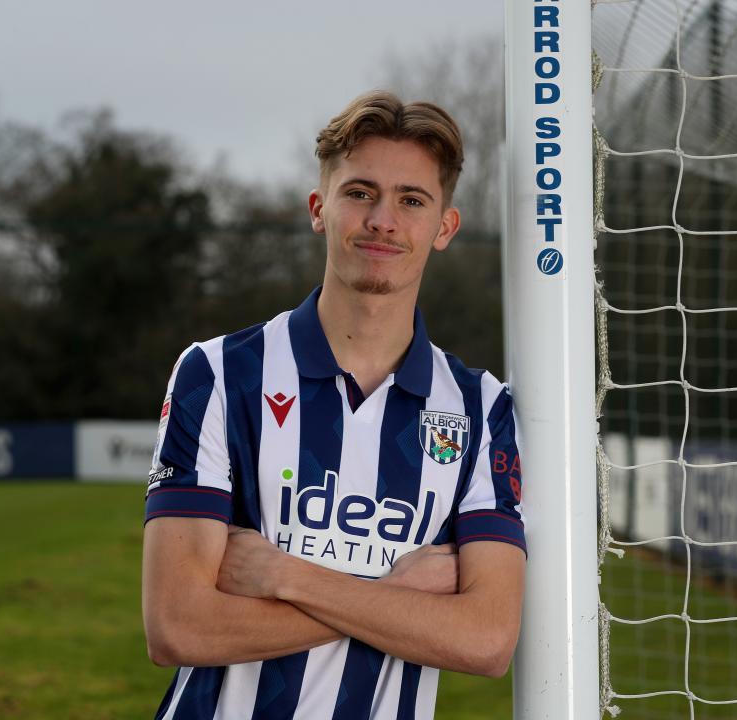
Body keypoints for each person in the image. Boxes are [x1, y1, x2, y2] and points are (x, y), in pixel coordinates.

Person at [142, 90, 526, 720]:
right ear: (319, 208)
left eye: (411, 200)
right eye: (360, 192)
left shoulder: (482, 408)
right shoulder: (218, 375)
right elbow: (178, 626)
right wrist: (397, 595)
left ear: (444, 227)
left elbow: (485, 640)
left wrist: (286, 577)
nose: (382, 219)